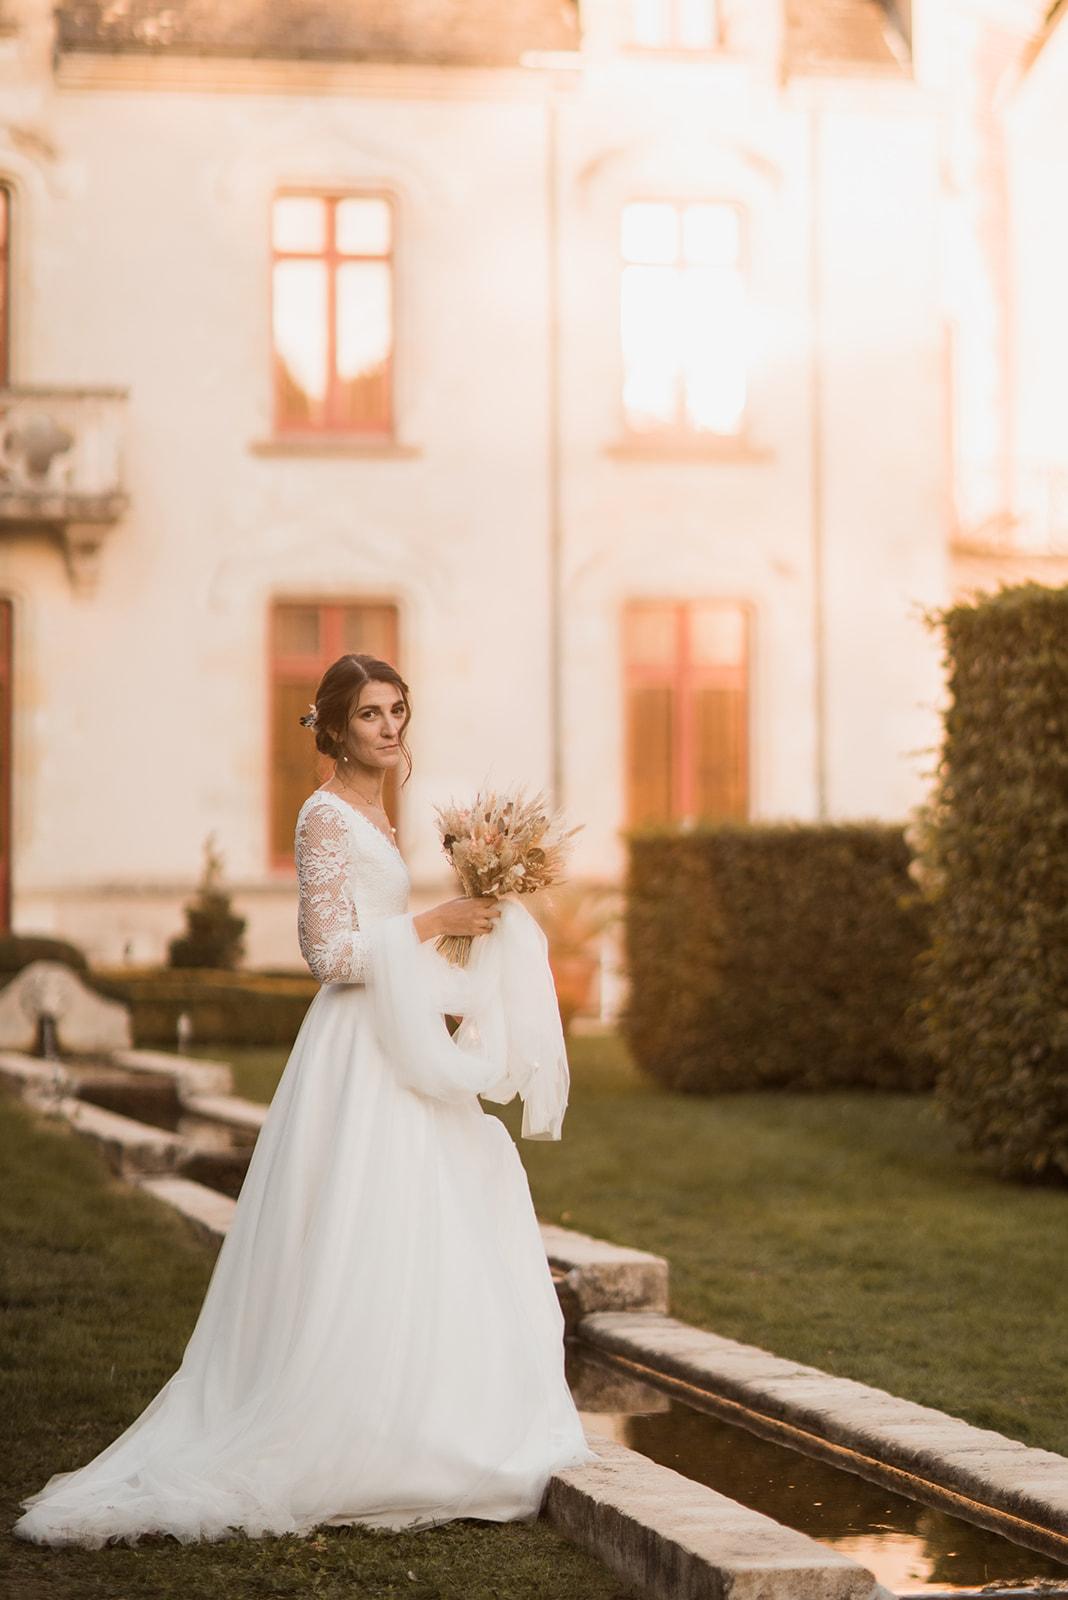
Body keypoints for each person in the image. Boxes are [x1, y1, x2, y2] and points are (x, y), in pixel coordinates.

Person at [15, 652, 595, 1549]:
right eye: (370, 714)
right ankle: (347, 1422)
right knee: (360, 1223)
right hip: (353, 1055)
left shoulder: (380, 812)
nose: (391, 727)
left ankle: (424, 1410)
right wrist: (435, 923)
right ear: (332, 728)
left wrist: (468, 933)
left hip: (395, 1038)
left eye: (399, 710)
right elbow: (329, 954)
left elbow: (385, 945)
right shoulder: (324, 816)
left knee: (429, 1217)